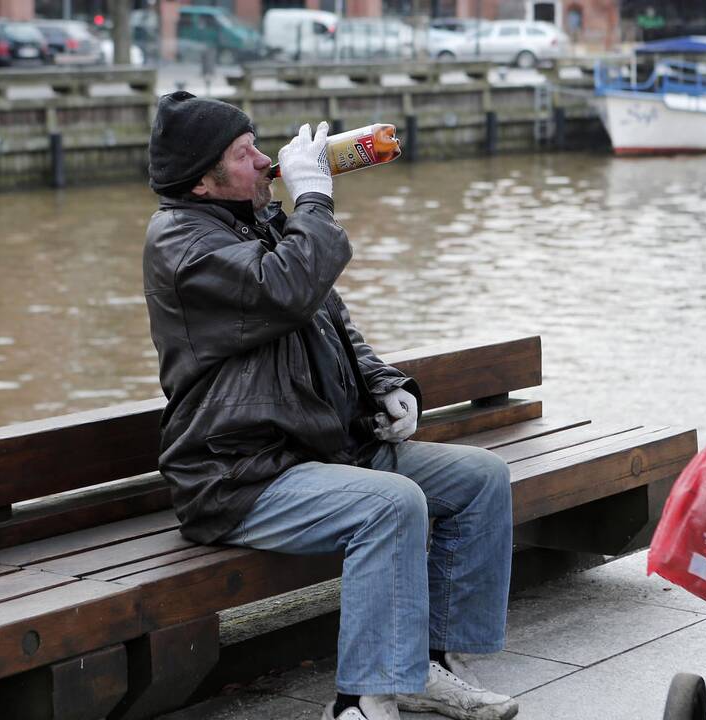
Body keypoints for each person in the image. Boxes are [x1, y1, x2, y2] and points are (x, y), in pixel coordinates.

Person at [142, 91, 519, 720]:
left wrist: (383, 383)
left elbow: (329, 315)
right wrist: (314, 197)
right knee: (392, 504)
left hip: (317, 449)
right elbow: (286, 288)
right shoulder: (182, 245)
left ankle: (424, 669)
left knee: (481, 479)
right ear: (203, 183)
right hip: (238, 471)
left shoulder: (251, 219)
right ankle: (361, 702)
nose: (266, 161)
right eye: (245, 154)